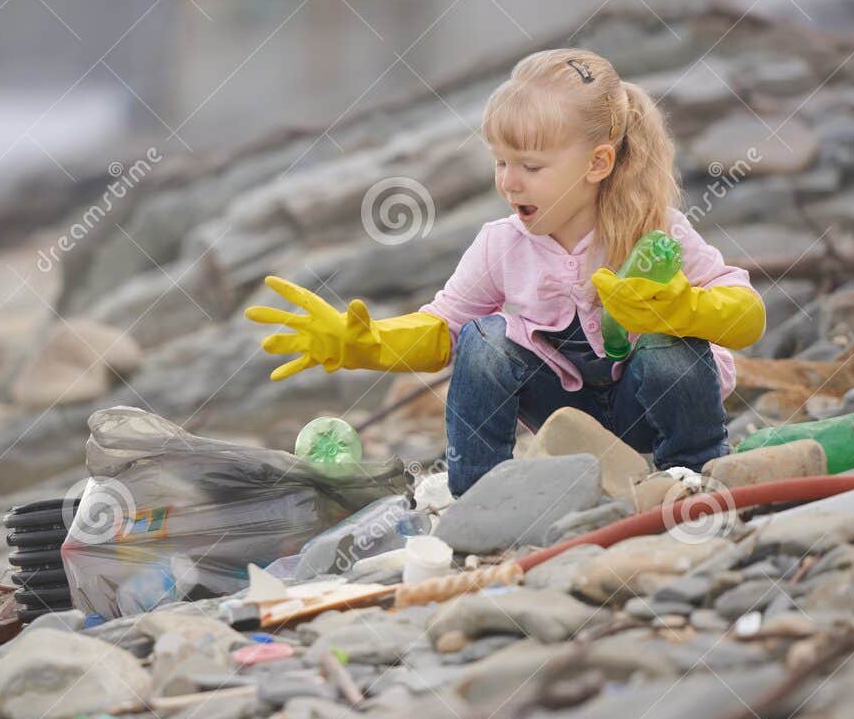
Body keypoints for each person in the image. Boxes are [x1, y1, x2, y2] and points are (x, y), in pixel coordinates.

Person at [245, 47, 766, 497]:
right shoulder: (501, 245)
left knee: (672, 346)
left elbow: (748, 316)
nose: (509, 183)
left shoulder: (657, 231)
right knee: (484, 338)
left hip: (647, 412)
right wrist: (367, 343)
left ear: (598, 163)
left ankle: (696, 473)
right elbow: (443, 330)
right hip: (564, 413)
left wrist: (684, 309)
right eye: (501, 162)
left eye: (531, 167)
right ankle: (480, 495)